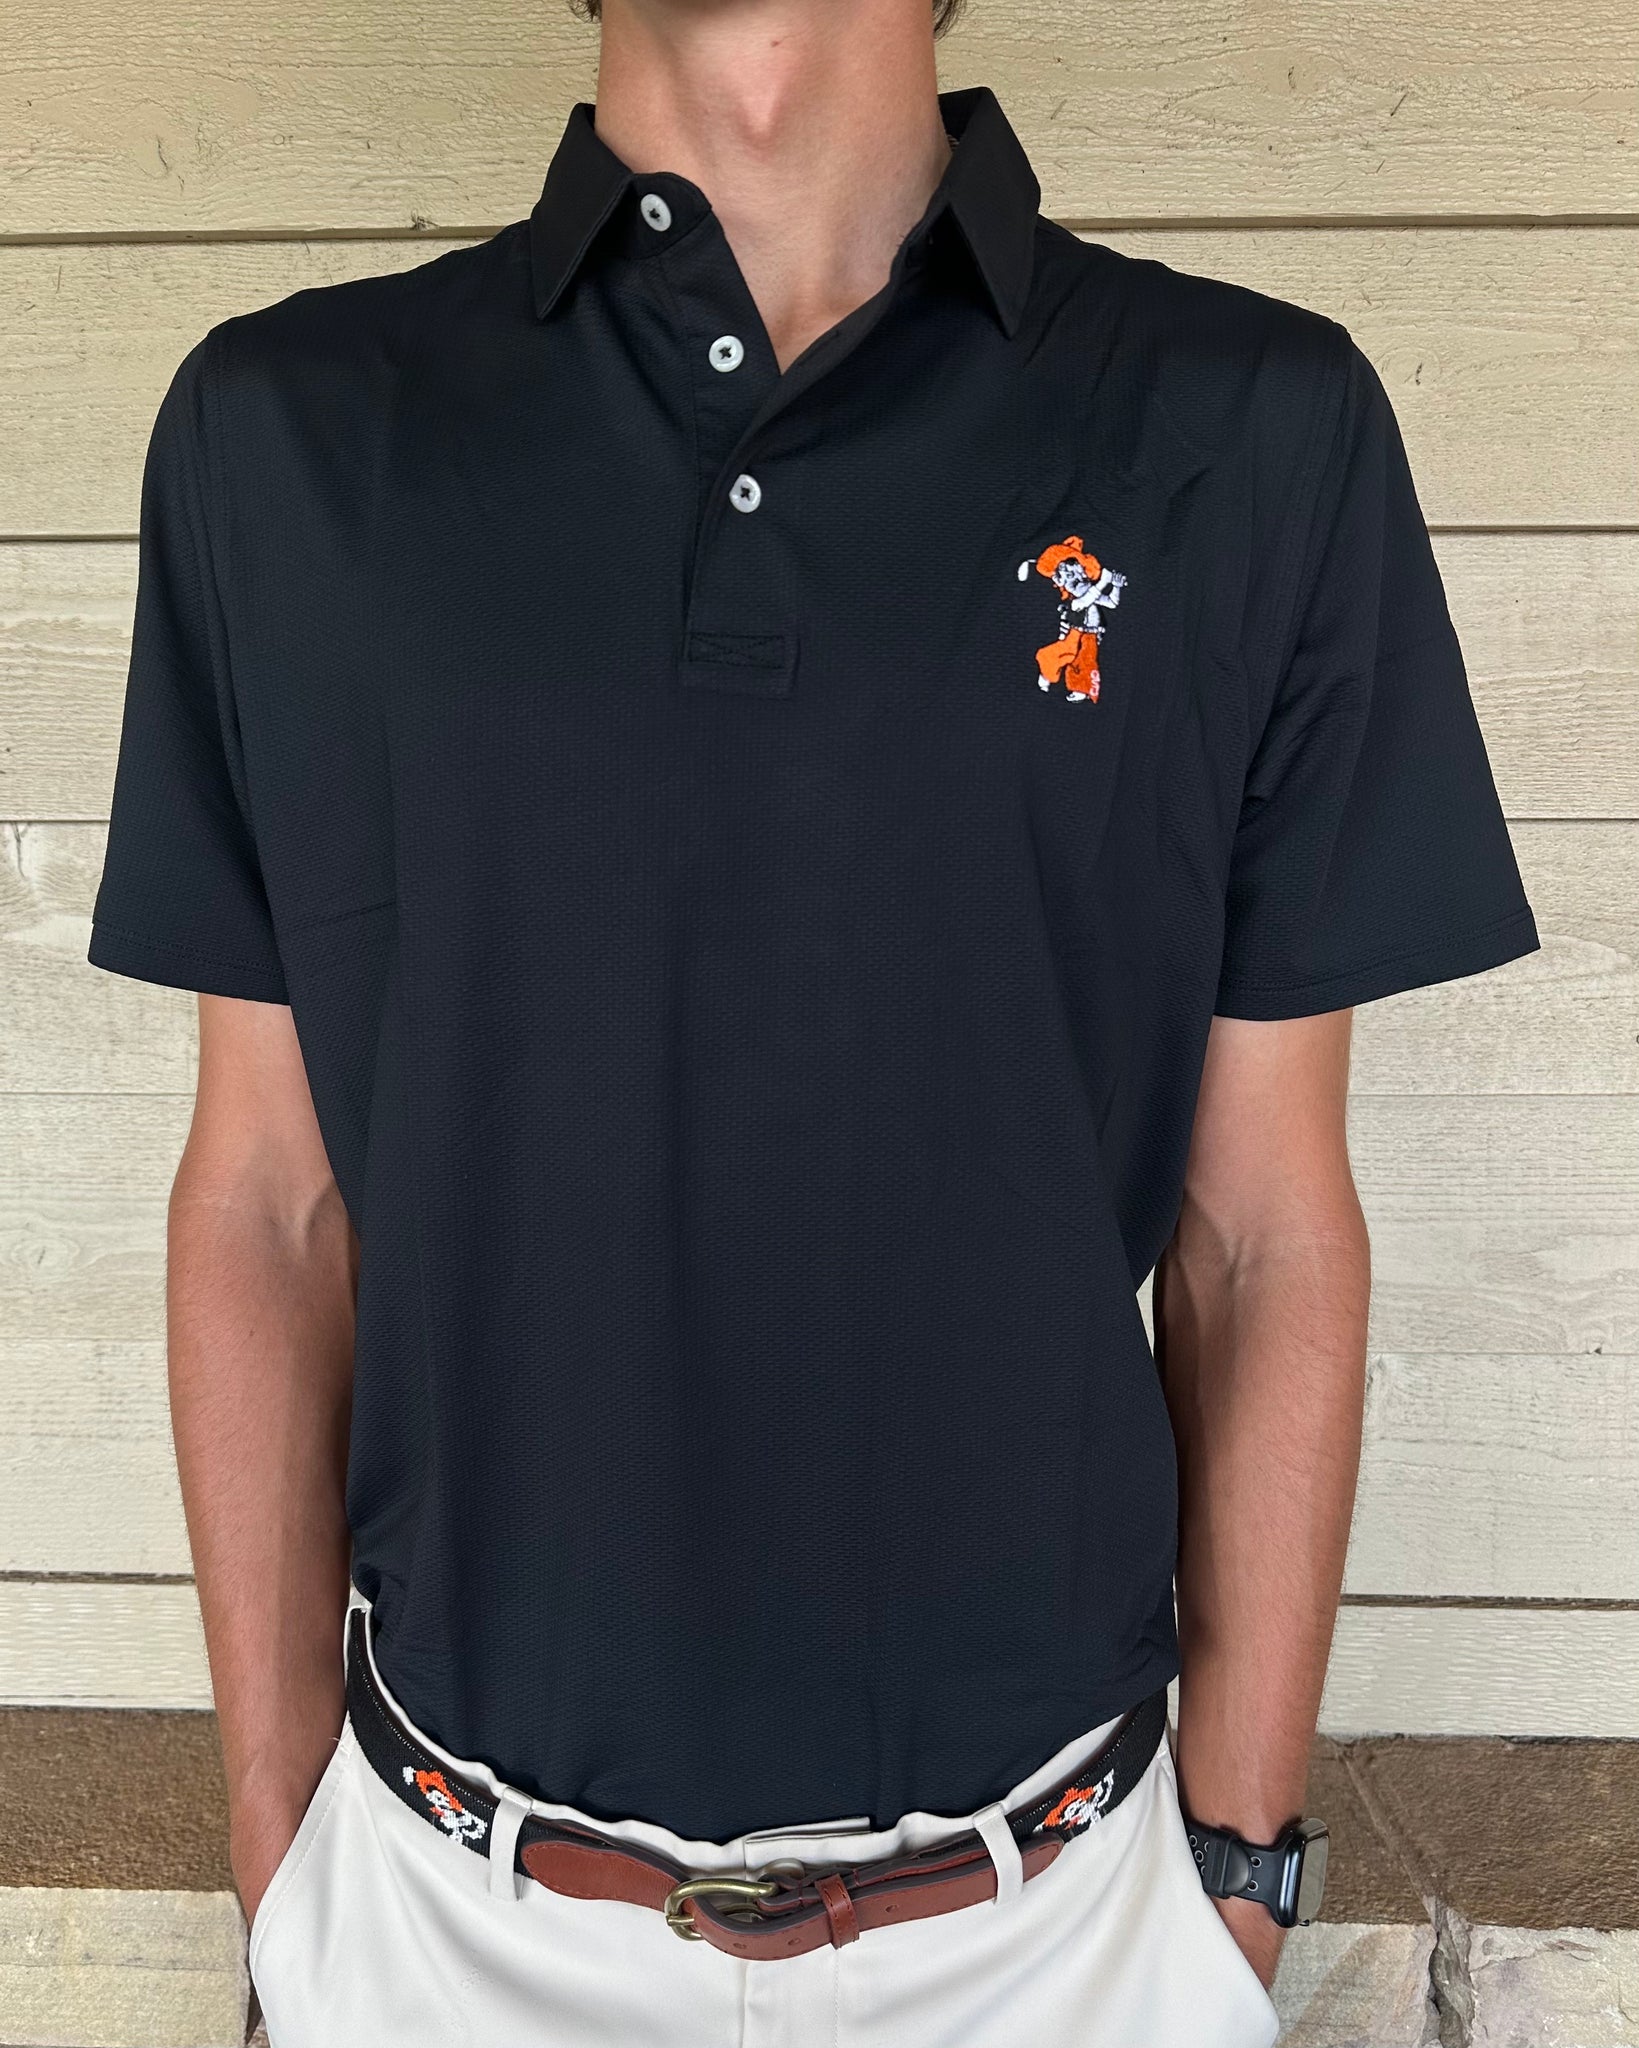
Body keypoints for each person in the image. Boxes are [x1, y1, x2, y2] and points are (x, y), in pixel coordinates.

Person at [87, 0, 1539, 2040]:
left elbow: (1261, 1227)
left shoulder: (1251, 430)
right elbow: (268, 1201)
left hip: (1057, 1939)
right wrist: (287, 1864)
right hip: (439, 1926)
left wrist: (1227, 1890)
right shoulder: (287, 434)